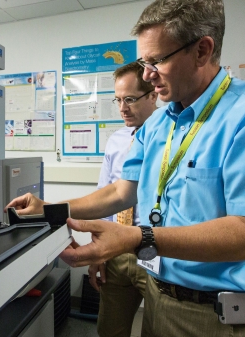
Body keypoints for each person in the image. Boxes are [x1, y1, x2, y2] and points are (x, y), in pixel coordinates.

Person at [6, 0, 245, 336]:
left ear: (202, 51)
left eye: (157, 61)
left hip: (217, 315)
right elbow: (123, 191)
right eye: (143, 62)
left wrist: (136, 237)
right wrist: (52, 208)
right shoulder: (158, 125)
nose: (148, 76)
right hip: (158, 295)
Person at [92, 62, 156, 337]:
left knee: (157, 329)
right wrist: (97, 250)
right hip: (117, 249)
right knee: (109, 329)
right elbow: (105, 194)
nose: (122, 108)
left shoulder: (171, 138)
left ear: (153, 94)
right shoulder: (117, 140)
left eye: (130, 99)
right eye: (118, 100)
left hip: (154, 250)